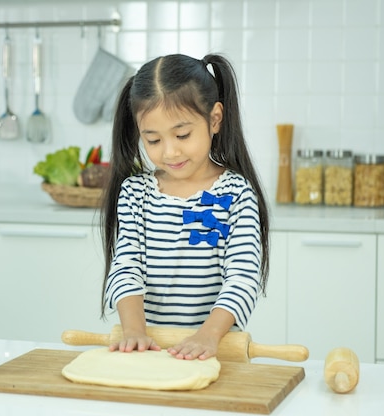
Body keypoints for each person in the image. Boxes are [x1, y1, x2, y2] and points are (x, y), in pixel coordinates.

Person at [100, 53, 270, 361]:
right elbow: (126, 267)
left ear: (214, 119)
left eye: (182, 135)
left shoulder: (236, 193)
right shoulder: (136, 193)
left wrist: (208, 335)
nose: (170, 151)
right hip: (150, 353)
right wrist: (135, 331)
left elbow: (242, 276)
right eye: (152, 140)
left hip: (213, 352)